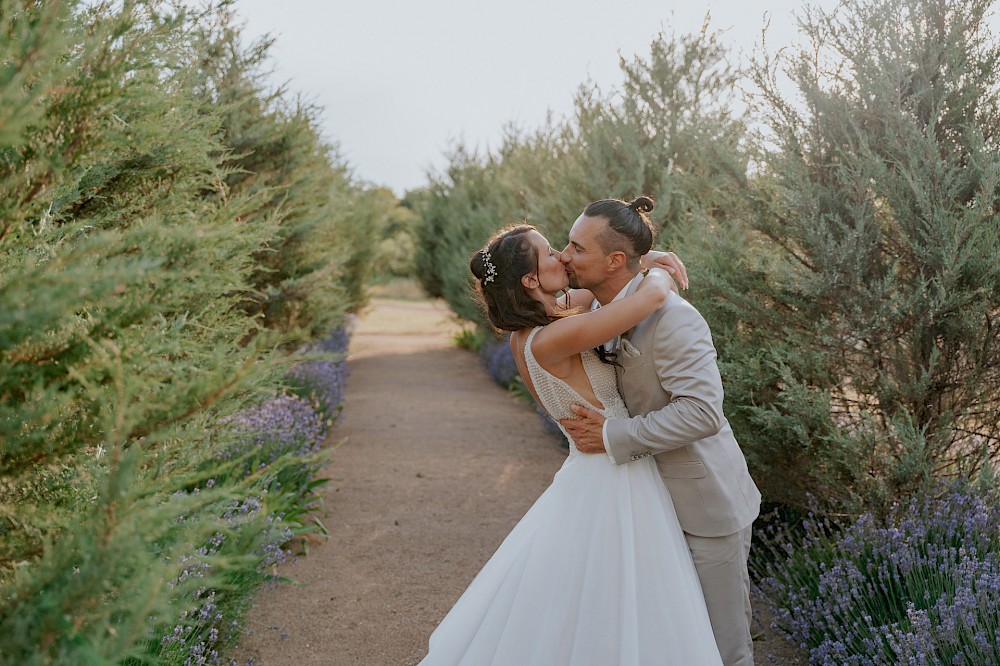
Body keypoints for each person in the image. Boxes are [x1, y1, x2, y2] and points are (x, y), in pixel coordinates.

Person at [419, 223, 722, 665]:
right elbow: (650, 300)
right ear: (530, 281)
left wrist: (642, 262)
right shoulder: (552, 339)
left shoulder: (539, 328)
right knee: (624, 591)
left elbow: (599, 294)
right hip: (614, 475)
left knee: (592, 593)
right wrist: (656, 273)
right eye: (548, 254)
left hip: (595, 467)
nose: (562, 256)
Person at [559, 196, 762, 666]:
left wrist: (614, 435)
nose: (564, 255)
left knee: (721, 648)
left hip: (703, 507)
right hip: (645, 507)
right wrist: (648, 261)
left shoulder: (674, 318)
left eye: (575, 247)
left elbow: (702, 412)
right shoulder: (605, 308)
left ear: (613, 261)